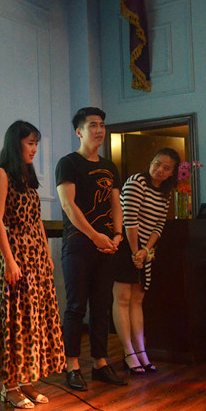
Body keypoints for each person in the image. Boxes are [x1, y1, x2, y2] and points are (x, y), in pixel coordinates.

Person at [0, 120, 65, 409]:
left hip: (36, 257)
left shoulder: (27, 177)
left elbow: (37, 221)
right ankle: (10, 386)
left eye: (36, 144)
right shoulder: (1, 175)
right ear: (15, 143)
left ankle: (27, 379)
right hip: (16, 254)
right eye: (30, 143)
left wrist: (46, 254)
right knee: (16, 318)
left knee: (34, 318)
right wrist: (10, 262)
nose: (34, 149)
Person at [55, 106, 126, 390]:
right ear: (79, 131)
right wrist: (95, 236)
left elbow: (116, 203)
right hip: (79, 244)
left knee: (102, 306)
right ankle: (72, 366)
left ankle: (100, 363)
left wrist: (118, 235)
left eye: (102, 125)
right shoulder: (68, 163)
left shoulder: (109, 167)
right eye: (92, 125)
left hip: (107, 245)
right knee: (75, 306)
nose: (99, 130)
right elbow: (68, 204)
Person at [112, 148, 180, 374]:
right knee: (123, 299)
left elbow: (159, 224)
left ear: (172, 173)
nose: (159, 170)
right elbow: (130, 220)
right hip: (126, 246)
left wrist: (146, 250)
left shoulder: (166, 192)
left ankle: (141, 351)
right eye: (157, 163)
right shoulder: (136, 182)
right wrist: (135, 252)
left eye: (166, 168)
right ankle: (128, 352)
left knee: (137, 300)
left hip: (143, 250)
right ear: (151, 162)